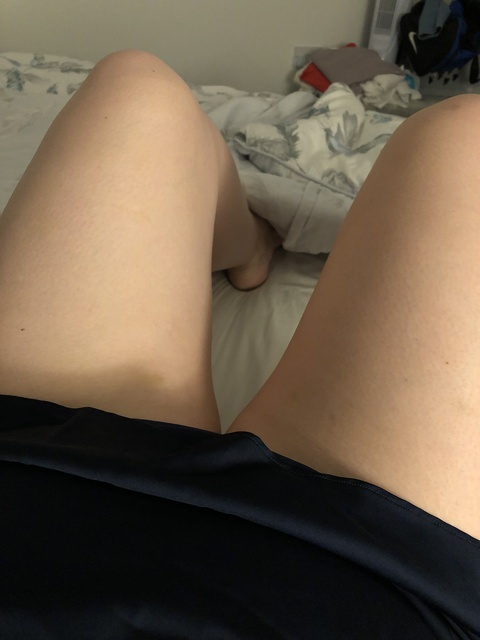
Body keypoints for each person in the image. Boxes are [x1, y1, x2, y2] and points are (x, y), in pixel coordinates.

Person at [0, 50, 478, 639]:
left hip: (33, 489)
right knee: (468, 138)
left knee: (135, 87)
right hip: (370, 583)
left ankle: (250, 244)